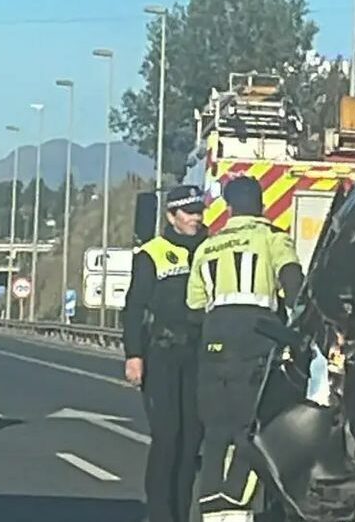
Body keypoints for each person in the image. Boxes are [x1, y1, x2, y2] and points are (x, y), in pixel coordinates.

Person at [186, 176, 304, 522]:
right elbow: (293, 283)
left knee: (215, 431)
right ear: (261, 204)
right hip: (255, 340)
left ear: (230, 207)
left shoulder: (208, 247)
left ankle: (211, 509)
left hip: (212, 343)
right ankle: (236, 506)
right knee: (250, 428)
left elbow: (194, 304)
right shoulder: (271, 238)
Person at [122, 185, 208, 522]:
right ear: (171, 216)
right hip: (162, 353)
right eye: (188, 212)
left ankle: (180, 513)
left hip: (199, 355)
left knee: (191, 442)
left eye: (199, 211)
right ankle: (159, 513)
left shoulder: (209, 248)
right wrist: (133, 355)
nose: (195, 219)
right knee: (167, 437)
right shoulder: (152, 253)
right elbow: (134, 308)